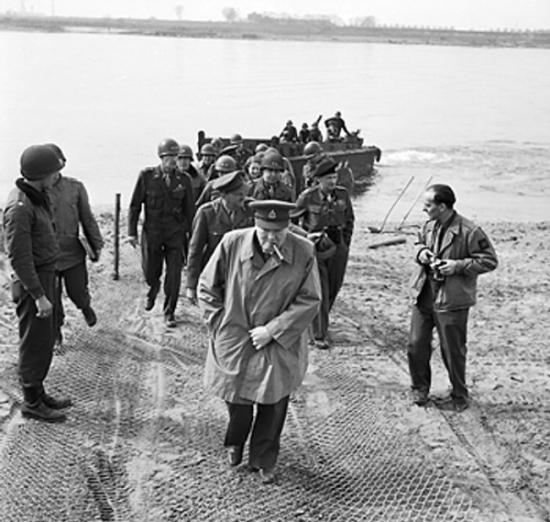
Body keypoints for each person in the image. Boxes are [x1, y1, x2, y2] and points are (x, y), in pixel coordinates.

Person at [198, 200, 321, 484]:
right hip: (236, 336)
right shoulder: (232, 243)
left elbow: (310, 299)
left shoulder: (304, 251)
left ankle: (264, 458)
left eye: (277, 234)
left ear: (287, 228)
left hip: (278, 341)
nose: (269, 239)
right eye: (264, 232)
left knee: (274, 401)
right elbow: (207, 286)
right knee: (237, 398)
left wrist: (273, 330)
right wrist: (219, 323)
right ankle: (235, 443)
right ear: (255, 225)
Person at [408, 184, 498, 412]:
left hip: (452, 299)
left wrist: (457, 266)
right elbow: (418, 243)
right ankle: (420, 388)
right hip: (424, 294)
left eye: (428, 205)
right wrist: (422, 254)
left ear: (443, 206)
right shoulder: (429, 225)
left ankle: (459, 394)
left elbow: (489, 260)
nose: (423, 209)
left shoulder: (470, 231)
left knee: (453, 350)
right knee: (416, 344)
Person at [3, 144, 72, 423]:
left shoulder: (36, 196)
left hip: (45, 275)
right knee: (34, 343)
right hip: (34, 281)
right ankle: (31, 402)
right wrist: (39, 295)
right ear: (42, 173)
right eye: (55, 171)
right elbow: (19, 258)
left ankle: (38, 391)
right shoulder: (20, 207)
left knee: (44, 341)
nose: (57, 176)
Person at [128, 138, 195, 327]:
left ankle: (169, 312)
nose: (173, 160)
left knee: (174, 274)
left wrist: (192, 237)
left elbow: (190, 211)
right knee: (150, 271)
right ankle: (153, 287)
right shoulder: (147, 177)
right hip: (153, 232)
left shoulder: (184, 180)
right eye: (169, 157)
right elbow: (134, 206)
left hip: (175, 234)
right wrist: (131, 232)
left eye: (176, 156)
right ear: (161, 157)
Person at [47, 143, 104, 347]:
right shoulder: (37, 190)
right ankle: (56, 333)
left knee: (77, 291)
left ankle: (85, 306)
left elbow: (87, 218)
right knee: (52, 300)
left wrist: (96, 245)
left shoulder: (75, 187)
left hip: (72, 253)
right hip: (48, 257)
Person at [295, 157, 355, 349]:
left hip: (338, 247)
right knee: (320, 289)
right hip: (316, 249)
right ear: (318, 179)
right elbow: (290, 222)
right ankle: (319, 334)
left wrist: (345, 242)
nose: (332, 181)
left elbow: (350, 220)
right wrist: (307, 237)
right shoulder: (307, 196)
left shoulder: (343, 195)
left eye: (334, 177)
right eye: (328, 178)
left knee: (334, 286)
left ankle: (320, 323)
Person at [186, 171, 254, 305]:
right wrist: (191, 285)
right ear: (224, 195)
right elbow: (195, 250)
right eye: (238, 194)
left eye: (244, 193)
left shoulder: (251, 209)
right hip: (214, 273)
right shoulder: (206, 213)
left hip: (242, 273)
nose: (243, 197)